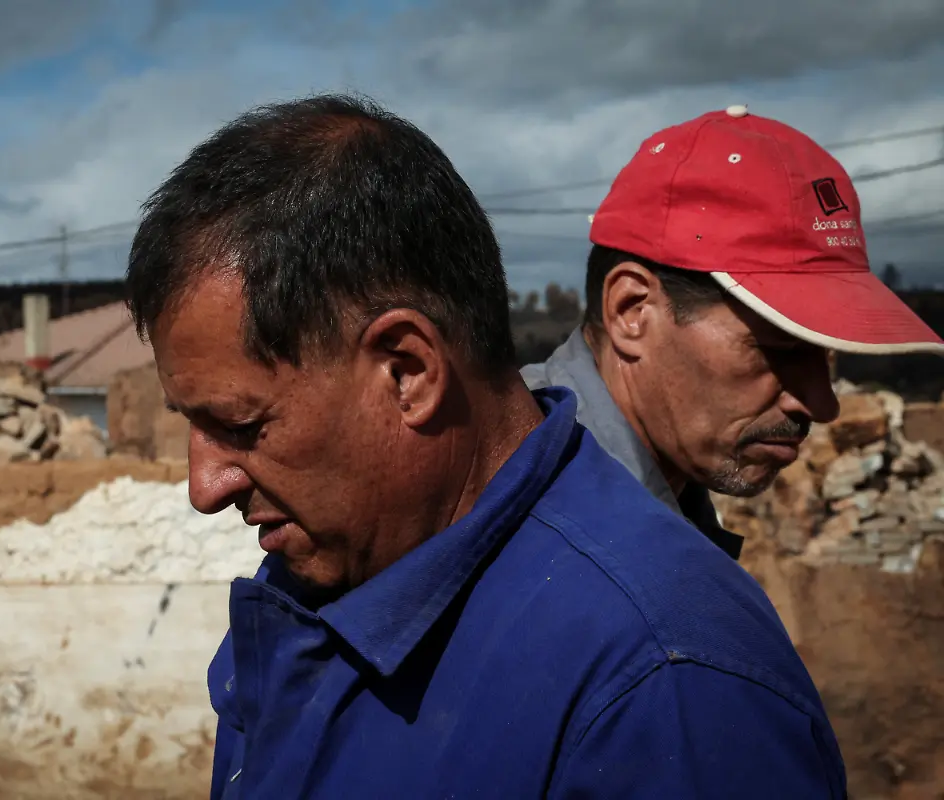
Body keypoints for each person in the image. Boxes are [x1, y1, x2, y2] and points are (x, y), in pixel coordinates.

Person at [126, 94, 847, 799]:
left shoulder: (669, 680)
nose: (204, 485)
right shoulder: (319, 582)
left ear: (407, 372)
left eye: (243, 426)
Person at [522, 104, 944, 561]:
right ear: (632, 311)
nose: (822, 406)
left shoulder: (635, 505)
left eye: (825, 357)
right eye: (777, 350)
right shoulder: (521, 515)